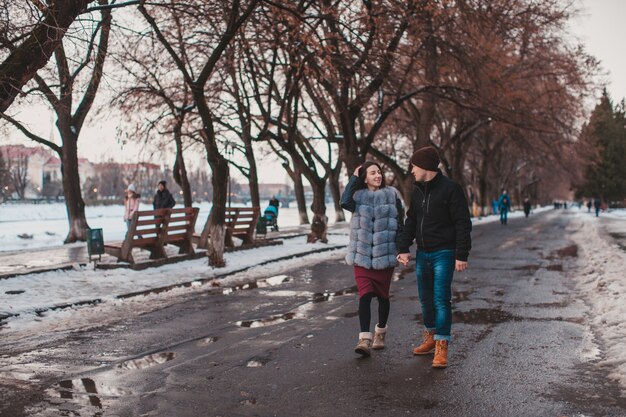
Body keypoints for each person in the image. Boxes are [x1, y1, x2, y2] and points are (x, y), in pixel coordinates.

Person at [397, 146, 471, 369]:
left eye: (414, 166)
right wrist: (403, 247)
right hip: (423, 253)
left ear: (425, 166)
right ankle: (430, 337)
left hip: (444, 253)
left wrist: (461, 254)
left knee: (441, 300)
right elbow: (411, 220)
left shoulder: (451, 189)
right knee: (425, 300)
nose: (411, 170)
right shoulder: (417, 189)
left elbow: (462, 223)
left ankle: (442, 345)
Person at [341, 161, 404, 357]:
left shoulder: (392, 194)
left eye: (379, 172)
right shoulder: (358, 196)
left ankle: (380, 332)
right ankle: (364, 339)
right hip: (362, 256)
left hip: (385, 256)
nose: (378, 175)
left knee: (383, 297)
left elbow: (401, 224)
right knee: (365, 295)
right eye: (372, 173)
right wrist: (353, 178)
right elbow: (344, 202)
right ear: (364, 177)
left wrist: (402, 249)